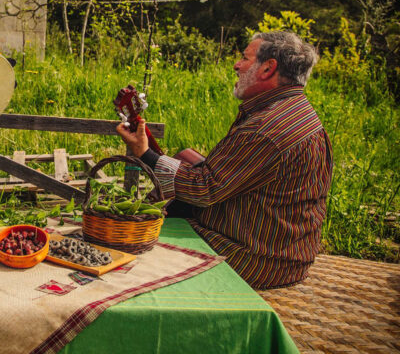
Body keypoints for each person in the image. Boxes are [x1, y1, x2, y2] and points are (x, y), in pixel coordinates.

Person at [117, 31, 333, 289]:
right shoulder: (295, 110)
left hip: (256, 259)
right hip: (286, 254)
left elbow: (204, 188)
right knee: (183, 173)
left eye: (244, 58)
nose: (237, 65)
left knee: (129, 248)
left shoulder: (265, 129)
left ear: (268, 68)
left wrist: (146, 155)